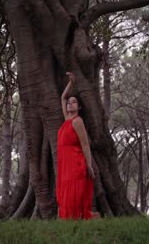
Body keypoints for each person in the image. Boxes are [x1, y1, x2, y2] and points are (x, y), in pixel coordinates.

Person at [56, 72, 96, 220]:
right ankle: (69, 220)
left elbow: (85, 144)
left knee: (74, 192)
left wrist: (89, 165)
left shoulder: (78, 121)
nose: (69, 103)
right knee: (66, 190)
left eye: (73, 102)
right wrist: (71, 84)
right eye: (69, 103)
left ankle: (75, 219)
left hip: (75, 162)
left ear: (79, 107)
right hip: (65, 164)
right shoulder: (67, 119)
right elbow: (63, 97)